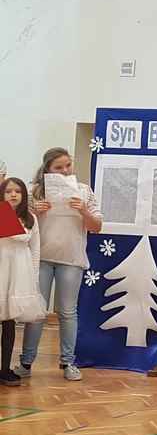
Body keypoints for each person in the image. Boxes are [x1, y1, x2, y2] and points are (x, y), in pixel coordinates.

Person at [17, 148, 103, 381]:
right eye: (58, 167)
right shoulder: (34, 192)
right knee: (36, 311)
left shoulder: (84, 191)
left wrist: (83, 210)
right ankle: (26, 362)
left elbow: (97, 227)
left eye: (68, 165)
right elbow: (19, 227)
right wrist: (34, 213)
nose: (65, 171)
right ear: (48, 169)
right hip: (40, 258)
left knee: (67, 311)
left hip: (71, 259)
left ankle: (68, 362)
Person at [0, 177, 46, 385]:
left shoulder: (30, 219)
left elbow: (35, 249)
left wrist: (33, 276)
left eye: (17, 191)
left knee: (10, 322)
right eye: (8, 191)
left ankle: (5, 368)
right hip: (2, 270)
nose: (13, 194)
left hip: (19, 273)